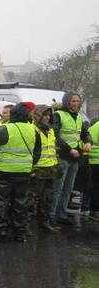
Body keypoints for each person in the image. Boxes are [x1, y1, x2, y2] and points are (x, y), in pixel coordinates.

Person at [0, 103, 41, 242]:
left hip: (2, 171)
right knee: (20, 202)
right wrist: (29, 163)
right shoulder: (33, 130)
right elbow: (37, 151)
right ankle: (20, 233)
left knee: (0, 202)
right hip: (23, 172)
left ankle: (0, 231)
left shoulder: (3, 129)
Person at [52, 92, 91, 226]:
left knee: (68, 188)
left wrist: (87, 142)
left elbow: (84, 133)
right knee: (58, 187)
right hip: (63, 156)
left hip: (75, 157)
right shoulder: (58, 115)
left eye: (77, 101)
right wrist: (69, 149)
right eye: (73, 101)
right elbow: (55, 136)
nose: (75, 103)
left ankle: (61, 213)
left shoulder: (79, 116)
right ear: (67, 101)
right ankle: (52, 215)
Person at [26, 105, 61, 233]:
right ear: (37, 116)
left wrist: (57, 165)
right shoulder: (31, 129)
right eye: (44, 115)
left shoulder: (50, 130)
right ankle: (25, 225)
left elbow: (53, 149)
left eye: (48, 115)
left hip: (50, 170)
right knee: (31, 200)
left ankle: (44, 223)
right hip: (36, 170)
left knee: (47, 199)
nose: (47, 117)